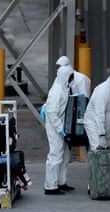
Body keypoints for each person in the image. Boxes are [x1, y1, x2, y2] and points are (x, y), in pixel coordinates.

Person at [43, 65, 75, 195]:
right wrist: (61, 130)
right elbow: (52, 112)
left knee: (65, 155)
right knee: (55, 155)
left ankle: (61, 181)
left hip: (60, 124)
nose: (72, 79)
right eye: (70, 77)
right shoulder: (57, 90)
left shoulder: (63, 87)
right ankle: (50, 186)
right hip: (54, 126)